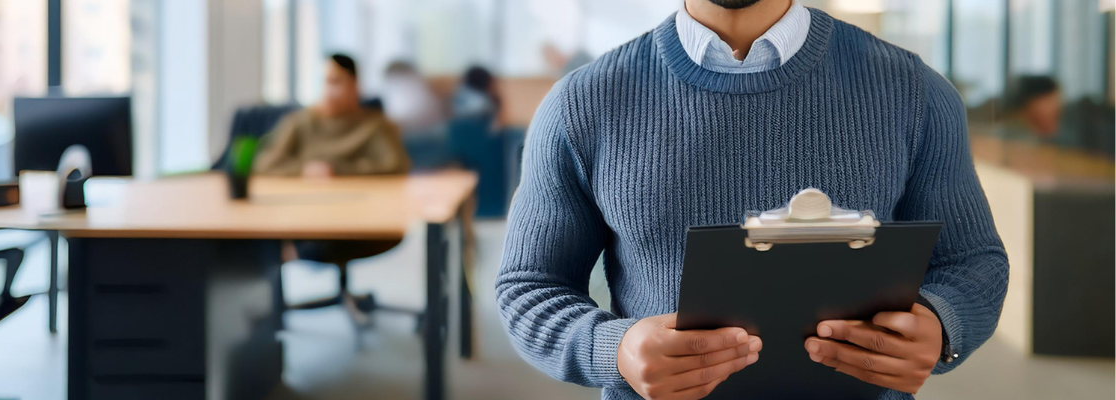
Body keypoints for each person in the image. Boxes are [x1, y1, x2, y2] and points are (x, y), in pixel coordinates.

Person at [495, 1, 1008, 400]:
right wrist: (614, 349)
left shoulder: (914, 92)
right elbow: (529, 285)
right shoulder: (582, 103)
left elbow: (973, 262)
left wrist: (942, 325)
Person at [254, 54, 410, 178]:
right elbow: (264, 163)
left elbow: (396, 165)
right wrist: (303, 169)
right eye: (323, 82)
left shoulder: (374, 124)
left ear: (354, 85)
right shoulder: (298, 122)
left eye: (335, 81)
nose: (327, 90)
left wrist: (337, 170)